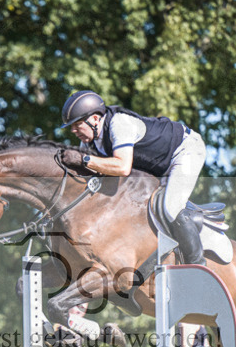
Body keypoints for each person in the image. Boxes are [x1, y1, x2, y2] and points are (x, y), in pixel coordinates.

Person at [58, 89, 207, 265]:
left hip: (184, 150)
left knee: (171, 207)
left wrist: (85, 160)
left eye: (77, 124)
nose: (74, 130)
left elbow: (122, 167)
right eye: (71, 126)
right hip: (157, 165)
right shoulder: (88, 140)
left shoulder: (119, 124)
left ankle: (197, 265)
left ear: (95, 119)